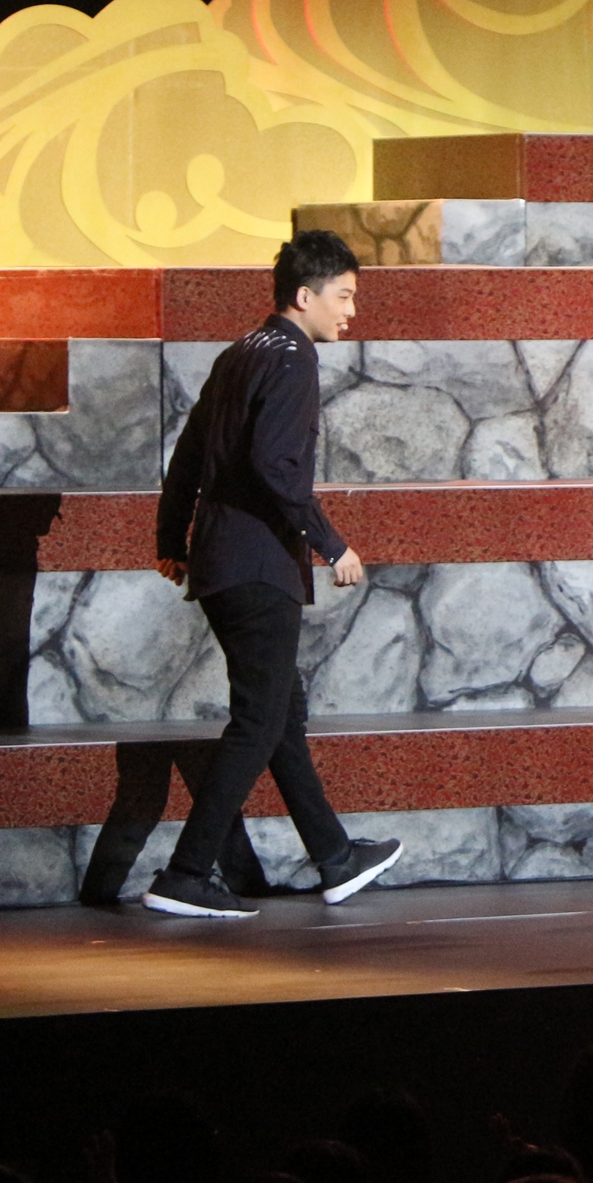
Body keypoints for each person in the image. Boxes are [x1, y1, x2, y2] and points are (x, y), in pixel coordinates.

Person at [144, 230, 401, 918]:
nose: (350, 311)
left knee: (279, 714)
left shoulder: (240, 352)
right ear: (304, 296)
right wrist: (332, 544)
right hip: (259, 566)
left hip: (222, 564)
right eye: (343, 296)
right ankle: (185, 873)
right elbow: (275, 464)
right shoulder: (292, 359)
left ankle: (336, 859)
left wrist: (172, 540)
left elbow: (188, 455)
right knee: (260, 721)